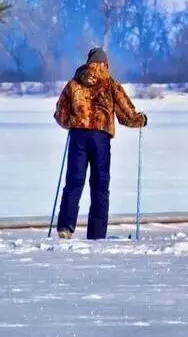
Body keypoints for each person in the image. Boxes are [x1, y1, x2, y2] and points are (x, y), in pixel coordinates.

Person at [53, 47, 148, 240]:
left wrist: (72, 122)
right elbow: (126, 113)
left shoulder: (74, 84)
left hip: (78, 136)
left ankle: (65, 227)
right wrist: (140, 120)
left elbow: (60, 113)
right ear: (105, 63)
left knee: (74, 181)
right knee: (100, 185)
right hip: (100, 137)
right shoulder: (110, 84)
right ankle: (96, 234)